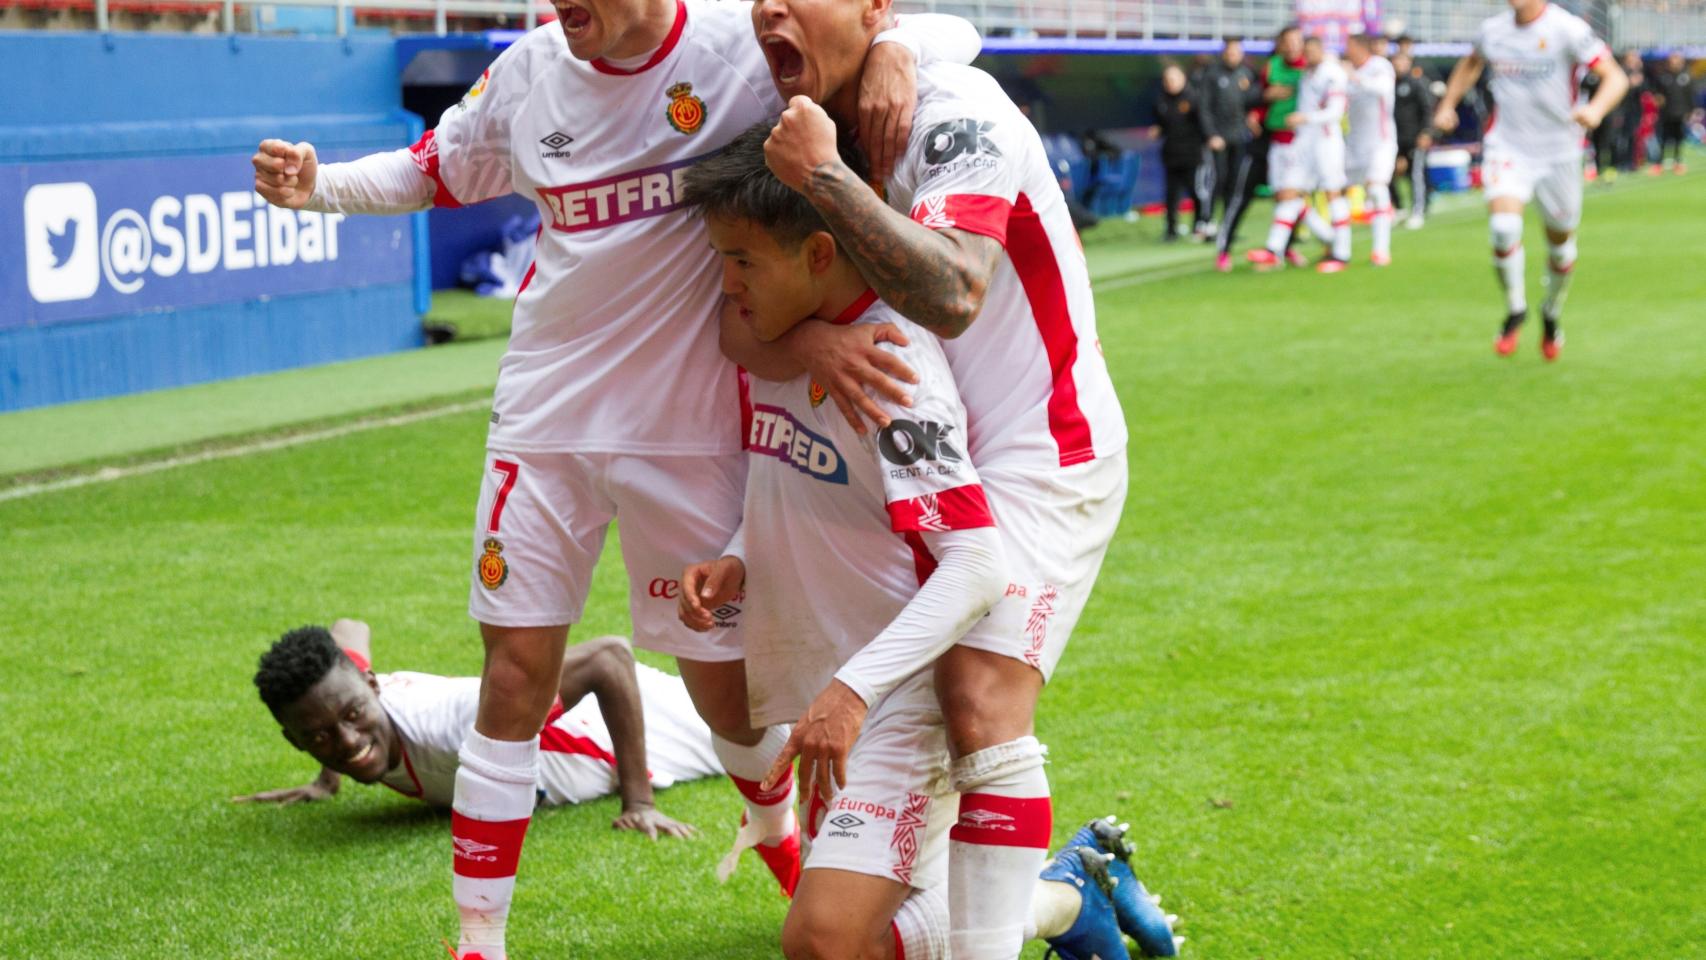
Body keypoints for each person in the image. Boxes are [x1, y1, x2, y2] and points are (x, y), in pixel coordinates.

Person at [248, 3, 982, 956]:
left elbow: (945, 34)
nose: (561, 10)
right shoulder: (529, 69)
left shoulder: (736, 47)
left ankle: (785, 855)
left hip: (688, 433)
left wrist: (890, 49)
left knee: (729, 699)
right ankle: (478, 942)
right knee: (513, 677)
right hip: (544, 425)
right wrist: (320, 186)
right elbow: (434, 167)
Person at [676, 122, 1176, 960]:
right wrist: (739, 551)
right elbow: (810, 475)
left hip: (890, 691)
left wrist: (854, 691)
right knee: (861, 940)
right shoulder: (798, 341)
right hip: (841, 677)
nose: (726, 285)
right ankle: (1067, 894)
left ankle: (1062, 890)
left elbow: (977, 564)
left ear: (822, 255)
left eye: (743, 261)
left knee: (825, 943)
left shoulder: (894, 370)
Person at [239, 621, 715, 836]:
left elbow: (609, 658)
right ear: (295, 740)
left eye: (352, 716)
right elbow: (349, 628)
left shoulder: (451, 724)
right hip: (613, 727)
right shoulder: (350, 692)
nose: (348, 743)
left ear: (370, 686)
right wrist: (329, 778)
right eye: (319, 737)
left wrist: (639, 803)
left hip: (656, 729)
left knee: (762, 741)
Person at [1433, 0, 1627, 361]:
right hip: (1507, 147)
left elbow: (1616, 77)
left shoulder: (1567, 29)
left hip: (1559, 153)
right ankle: (1516, 308)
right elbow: (1471, 63)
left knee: (1560, 244)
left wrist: (1595, 109)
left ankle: (1551, 311)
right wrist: (1447, 105)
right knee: (1504, 228)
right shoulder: (1493, 30)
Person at [1245, 26, 1322, 271]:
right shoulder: (1273, 66)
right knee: (1284, 197)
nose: (1292, 46)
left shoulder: (1313, 70)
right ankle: (1332, 240)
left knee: (1290, 195)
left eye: (1296, 41)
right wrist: (1257, 112)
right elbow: (1260, 97)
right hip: (1276, 139)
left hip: (1302, 140)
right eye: (1287, 41)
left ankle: (1273, 251)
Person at [1344, 32, 1399, 266]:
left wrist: (1355, 78)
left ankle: (1380, 250)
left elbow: (1382, 90)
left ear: (1360, 47)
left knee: (1376, 189)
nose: (1346, 51)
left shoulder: (1380, 66)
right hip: (1353, 143)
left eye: (1349, 47)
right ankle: (1335, 246)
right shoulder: (1346, 72)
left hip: (1381, 142)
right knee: (1333, 189)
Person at [1199, 38, 1261, 237]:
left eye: (1237, 52)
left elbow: (1255, 101)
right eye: (1230, 51)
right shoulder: (1212, 74)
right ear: (1224, 53)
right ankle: (1206, 222)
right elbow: (1204, 107)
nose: (1233, 55)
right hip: (1219, 138)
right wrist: (1211, 134)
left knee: (1236, 183)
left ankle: (1228, 226)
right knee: (1216, 180)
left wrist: (1253, 118)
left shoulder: (1247, 74)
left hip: (1240, 137)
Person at [1152, 64, 1211, 241]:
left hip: (1192, 153)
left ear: (1183, 79)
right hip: (1171, 154)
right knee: (1171, 194)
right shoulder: (1161, 101)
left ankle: (1200, 225)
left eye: (1174, 79)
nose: (1171, 83)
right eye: (1168, 80)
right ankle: (1171, 229)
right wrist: (1158, 130)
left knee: (1196, 191)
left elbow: (1204, 124)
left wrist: (1209, 139)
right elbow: (1162, 125)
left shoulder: (1193, 98)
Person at [1391, 51, 1435, 225]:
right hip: (1394, 139)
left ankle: (1418, 211)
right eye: (1396, 61)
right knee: (1388, 173)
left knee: (1416, 175)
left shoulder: (1417, 83)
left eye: (1402, 61)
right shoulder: (1389, 84)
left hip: (1415, 137)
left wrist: (1426, 132)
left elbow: (1427, 109)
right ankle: (1399, 208)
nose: (1398, 65)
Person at [1651, 51, 1694, 174]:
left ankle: (1678, 162)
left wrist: (1690, 111)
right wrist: (1657, 99)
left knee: (1678, 139)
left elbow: (1690, 95)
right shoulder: (1663, 77)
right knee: (1664, 139)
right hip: (1666, 113)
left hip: (1681, 113)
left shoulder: (1686, 77)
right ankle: (1659, 164)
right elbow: (1656, 93)